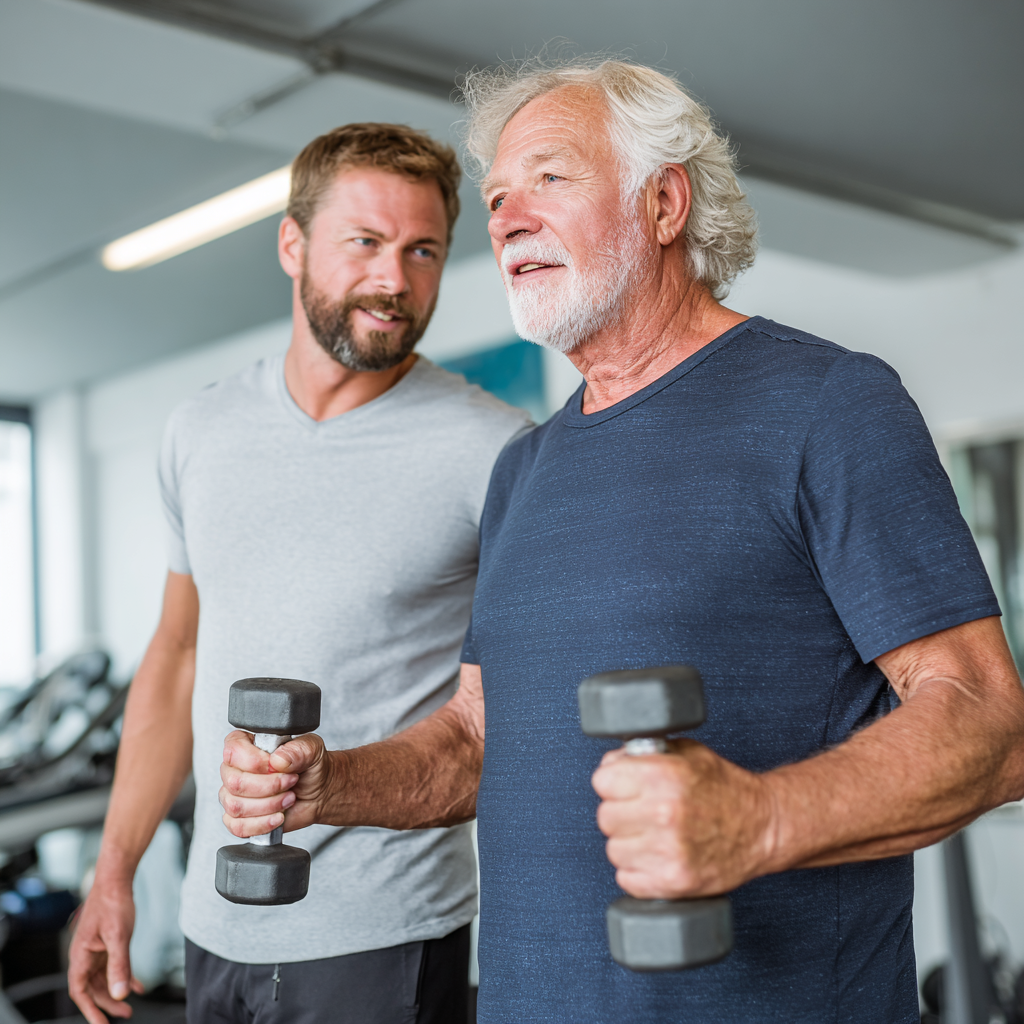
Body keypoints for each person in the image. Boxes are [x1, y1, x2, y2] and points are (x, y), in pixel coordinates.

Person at [218, 61, 1024, 1023]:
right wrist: (331, 783)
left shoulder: (830, 405)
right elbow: (478, 741)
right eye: (499, 199)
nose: (509, 218)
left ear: (665, 202)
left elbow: (990, 722)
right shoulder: (526, 468)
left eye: (549, 179)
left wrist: (761, 822)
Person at [68, 122, 531, 1024]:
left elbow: (501, 719)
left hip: (384, 932)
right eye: (365, 241)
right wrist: (114, 871)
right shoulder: (198, 432)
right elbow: (174, 658)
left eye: (423, 249)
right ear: (293, 243)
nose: (394, 280)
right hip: (215, 925)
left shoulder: (494, 450)